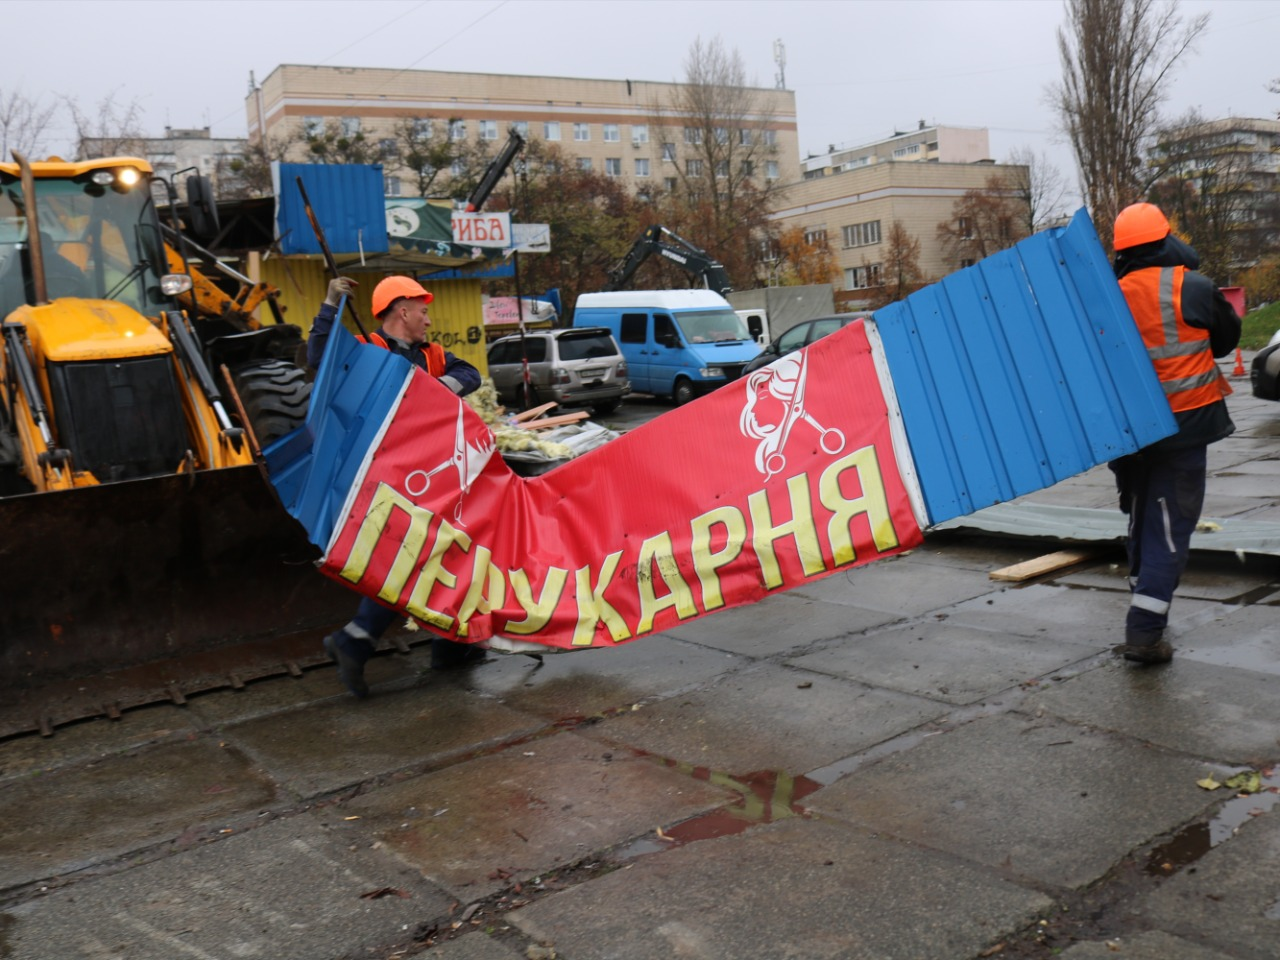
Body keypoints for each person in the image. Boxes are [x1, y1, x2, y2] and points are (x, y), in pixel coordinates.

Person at [308, 274, 485, 697]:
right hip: (385, 477)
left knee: (445, 549)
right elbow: (319, 358)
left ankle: (445, 645)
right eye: (422, 310)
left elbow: (471, 374)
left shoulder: (434, 355)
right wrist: (331, 303)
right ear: (401, 311)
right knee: (409, 556)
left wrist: (437, 388)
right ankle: (356, 639)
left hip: (432, 474)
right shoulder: (368, 350)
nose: (428, 318)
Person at [1108, 203, 1240, 665]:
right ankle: (1144, 633)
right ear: (1166, 238)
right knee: (1169, 528)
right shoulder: (1195, 287)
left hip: (1130, 435)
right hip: (1184, 428)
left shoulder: (1108, 294)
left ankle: (1143, 603)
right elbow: (1225, 341)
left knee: (1143, 518)